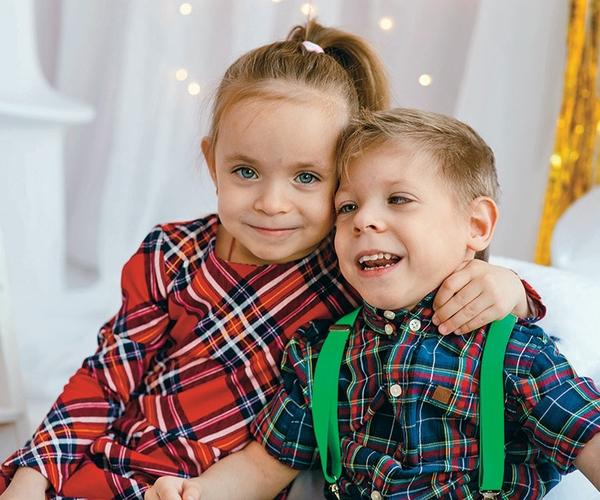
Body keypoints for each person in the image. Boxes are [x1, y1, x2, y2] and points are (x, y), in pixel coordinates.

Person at [0, 22, 542, 499]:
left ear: (346, 181)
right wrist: (35, 471)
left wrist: (512, 289)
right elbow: (107, 377)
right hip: (112, 468)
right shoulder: (170, 255)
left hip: (229, 486)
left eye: (306, 177)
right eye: (246, 171)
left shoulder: (351, 269)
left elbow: (439, 281)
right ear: (212, 162)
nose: (272, 202)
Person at [148, 108, 600, 500]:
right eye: (347, 207)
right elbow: (264, 466)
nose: (363, 219)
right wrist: (199, 492)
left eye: (398, 199)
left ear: (476, 225)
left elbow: (589, 438)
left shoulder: (514, 352)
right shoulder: (322, 354)